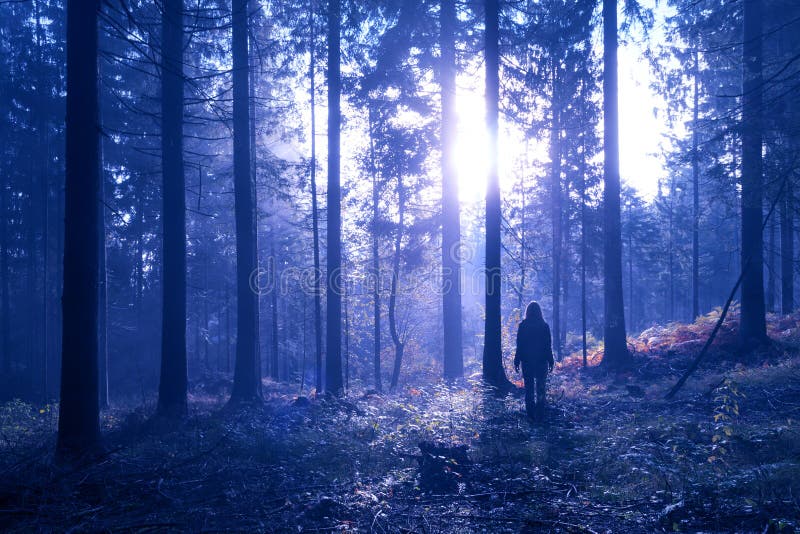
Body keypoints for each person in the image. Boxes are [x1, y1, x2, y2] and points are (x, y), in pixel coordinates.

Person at [513, 301, 554, 420]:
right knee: (541, 388)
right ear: (539, 312)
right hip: (541, 362)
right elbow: (548, 346)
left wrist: (516, 361)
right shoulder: (544, 326)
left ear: (527, 312)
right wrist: (551, 361)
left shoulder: (523, 326)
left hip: (527, 362)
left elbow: (519, 345)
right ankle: (540, 416)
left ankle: (530, 416)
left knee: (529, 389)